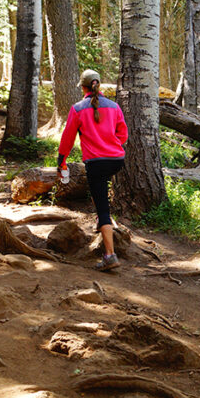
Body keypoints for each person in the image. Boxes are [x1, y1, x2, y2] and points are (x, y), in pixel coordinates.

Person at [57, 69, 128, 271]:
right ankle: (102, 222)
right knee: (101, 192)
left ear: (84, 87)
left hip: (96, 163)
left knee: (102, 207)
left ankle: (110, 255)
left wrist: (61, 161)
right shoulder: (114, 107)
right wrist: (112, 145)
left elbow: (68, 138)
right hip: (116, 160)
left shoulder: (78, 108)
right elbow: (123, 134)